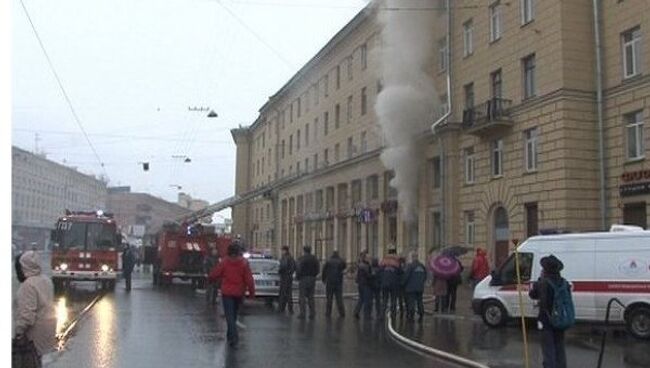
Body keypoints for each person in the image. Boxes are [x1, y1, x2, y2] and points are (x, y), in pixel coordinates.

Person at [208, 243, 255, 348]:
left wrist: (210, 279)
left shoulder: (225, 262)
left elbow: (215, 273)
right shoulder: (244, 263)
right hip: (239, 293)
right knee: (233, 315)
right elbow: (249, 279)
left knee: (229, 316)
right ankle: (230, 337)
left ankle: (233, 338)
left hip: (227, 293)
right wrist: (252, 293)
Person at [14, 251, 56, 367]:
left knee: (27, 362)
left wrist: (18, 332)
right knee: (37, 361)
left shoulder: (28, 285)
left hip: (33, 336)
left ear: (23, 268)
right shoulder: (46, 280)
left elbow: (27, 316)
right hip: (46, 332)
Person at [529, 255, 572, 368]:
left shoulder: (543, 283)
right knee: (559, 348)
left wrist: (539, 280)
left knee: (548, 351)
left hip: (546, 321)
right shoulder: (564, 283)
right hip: (560, 320)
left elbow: (533, 294)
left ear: (546, 270)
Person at [295, 245, 320, 319]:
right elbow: (318, 269)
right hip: (312, 279)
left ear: (304, 251)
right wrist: (314, 276)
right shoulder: (315, 259)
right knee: (311, 296)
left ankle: (302, 313)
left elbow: (298, 269)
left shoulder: (301, 259)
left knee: (302, 296)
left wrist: (298, 277)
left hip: (303, 278)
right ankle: (312, 313)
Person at [402, 251, 427, 322]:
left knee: (411, 302)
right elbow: (425, 276)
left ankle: (411, 315)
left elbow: (406, 277)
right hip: (420, 287)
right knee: (420, 301)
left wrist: (403, 284)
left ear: (412, 257)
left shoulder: (410, 266)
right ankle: (421, 313)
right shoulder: (422, 266)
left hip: (411, 288)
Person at [322, 250, 347, 318]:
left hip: (330, 281)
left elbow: (324, 271)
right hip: (338, 282)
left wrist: (323, 279)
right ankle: (342, 313)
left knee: (329, 298)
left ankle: (328, 313)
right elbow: (344, 267)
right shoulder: (341, 261)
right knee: (339, 298)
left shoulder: (328, 261)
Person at [379, 247, 401, 319]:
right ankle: (393, 315)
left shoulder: (383, 260)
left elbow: (380, 272)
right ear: (395, 253)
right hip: (394, 284)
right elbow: (400, 273)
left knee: (384, 300)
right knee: (393, 300)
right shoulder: (396, 261)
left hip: (384, 283)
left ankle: (382, 315)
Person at [353, 251, 372, 319]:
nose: (370, 259)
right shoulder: (366, 266)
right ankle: (367, 315)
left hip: (360, 284)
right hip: (365, 284)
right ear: (365, 258)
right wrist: (373, 275)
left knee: (361, 299)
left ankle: (356, 312)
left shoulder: (361, 265)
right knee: (367, 300)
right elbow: (368, 276)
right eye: (369, 258)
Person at [278, 246, 296, 314]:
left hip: (284, 276)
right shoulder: (291, 257)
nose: (281, 252)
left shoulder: (285, 257)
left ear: (284, 250)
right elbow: (294, 267)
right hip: (289, 277)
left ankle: (281, 308)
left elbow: (283, 266)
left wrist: (279, 271)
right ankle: (290, 309)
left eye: (282, 250)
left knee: (283, 293)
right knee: (289, 293)